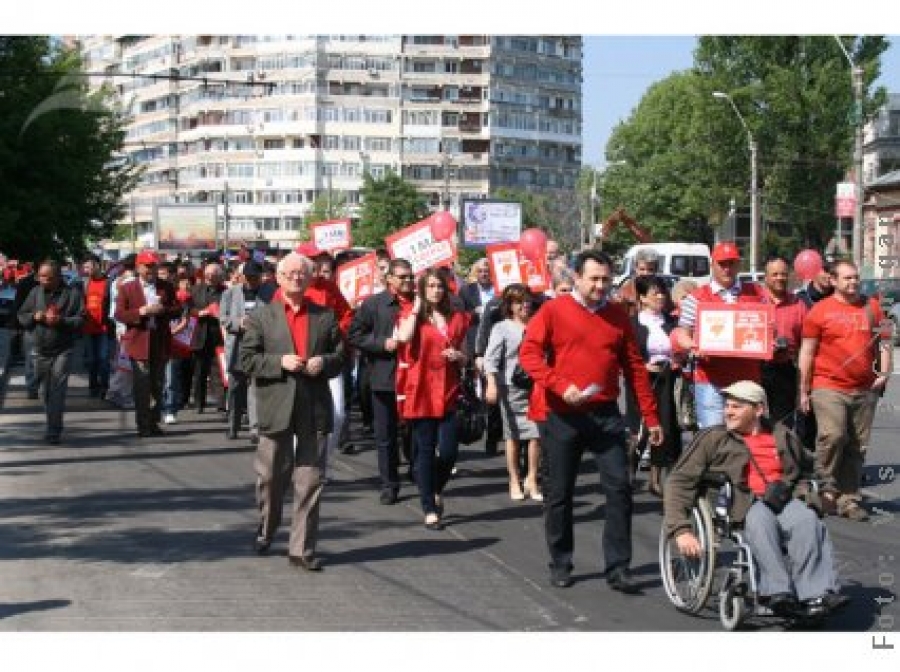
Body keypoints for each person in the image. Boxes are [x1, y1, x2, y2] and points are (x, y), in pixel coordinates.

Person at [519, 250, 662, 593]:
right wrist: (559, 385)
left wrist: (651, 417)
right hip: (563, 415)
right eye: (593, 279)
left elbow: (635, 369)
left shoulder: (617, 316)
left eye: (605, 279)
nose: (600, 285)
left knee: (619, 489)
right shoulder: (554, 310)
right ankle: (561, 562)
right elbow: (529, 355)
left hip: (606, 415)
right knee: (560, 492)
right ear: (577, 279)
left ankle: (618, 567)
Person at [664, 380, 849, 618]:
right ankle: (777, 593)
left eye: (737, 407)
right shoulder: (713, 439)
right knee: (761, 523)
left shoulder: (783, 435)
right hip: (744, 503)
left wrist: (828, 489)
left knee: (808, 521)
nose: (727, 411)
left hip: (784, 497)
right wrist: (681, 530)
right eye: (727, 406)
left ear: (758, 410)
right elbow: (679, 481)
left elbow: (811, 464)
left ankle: (817, 595)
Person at [239, 252, 345, 570]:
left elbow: (341, 356)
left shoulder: (325, 316)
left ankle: (301, 549)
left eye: (303, 273)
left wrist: (324, 362)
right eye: (291, 273)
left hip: (313, 408)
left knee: (310, 480)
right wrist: (279, 362)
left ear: (311, 278)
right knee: (271, 477)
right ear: (280, 277)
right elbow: (246, 360)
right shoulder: (262, 317)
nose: (297, 277)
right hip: (276, 405)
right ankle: (267, 527)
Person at [798, 260, 890, 522]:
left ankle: (849, 498)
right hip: (828, 385)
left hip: (864, 387)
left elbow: (884, 342)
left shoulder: (873, 308)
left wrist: (883, 373)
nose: (853, 282)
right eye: (847, 278)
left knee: (857, 445)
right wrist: (803, 390)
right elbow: (807, 352)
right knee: (833, 435)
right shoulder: (819, 311)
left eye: (855, 278)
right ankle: (827, 489)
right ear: (834, 281)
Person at [396, 268, 470, 531]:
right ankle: (428, 507)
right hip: (422, 389)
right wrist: (416, 308)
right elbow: (402, 338)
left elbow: (465, 354)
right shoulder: (412, 316)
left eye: (440, 286)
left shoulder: (458, 317)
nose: (436, 291)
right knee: (425, 450)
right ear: (422, 289)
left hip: (448, 390)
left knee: (449, 452)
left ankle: (435, 488)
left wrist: (459, 357)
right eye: (431, 287)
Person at [673, 241, 766, 428]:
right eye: (722, 264)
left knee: (747, 439)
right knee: (713, 438)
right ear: (712, 265)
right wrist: (693, 346)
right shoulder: (696, 297)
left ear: (738, 265)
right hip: (710, 381)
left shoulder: (758, 293)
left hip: (747, 379)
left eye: (731, 263)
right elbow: (683, 334)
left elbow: (768, 329)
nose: (727, 269)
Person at [349, 258, 415, 505]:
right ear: (390, 279)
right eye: (403, 277)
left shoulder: (421, 304)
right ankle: (389, 483)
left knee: (415, 430)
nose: (408, 281)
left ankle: (415, 468)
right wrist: (381, 343)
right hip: (385, 376)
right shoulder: (374, 305)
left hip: (416, 379)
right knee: (385, 434)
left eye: (410, 277)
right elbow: (355, 334)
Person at [484, 283, 543, 502]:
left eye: (527, 300)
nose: (525, 305)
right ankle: (514, 479)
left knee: (536, 435)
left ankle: (532, 478)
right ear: (509, 305)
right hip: (511, 387)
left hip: (537, 386)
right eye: (519, 302)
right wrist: (491, 383)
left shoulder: (538, 323)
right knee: (514, 436)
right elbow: (491, 359)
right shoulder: (502, 328)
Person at [114, 251, 182, 438]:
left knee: (157, 385)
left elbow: (177, 309)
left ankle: (153, 422)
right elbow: (119, 314)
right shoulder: (127, 288)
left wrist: (163, 310)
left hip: (159, 342)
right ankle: (143, 425)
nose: (152, 269)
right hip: (138, 342)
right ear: (138, 267)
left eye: (154, 266)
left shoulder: (166, 287)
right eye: (148, 266)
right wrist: (141, 312)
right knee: (142, 385)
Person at [17, 260, 84, 444]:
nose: (43, 280)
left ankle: (53, 431)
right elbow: (21, 316)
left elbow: (80, 320)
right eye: (41, 276)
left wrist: (61, 321)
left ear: (57, 277)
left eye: (47, 277)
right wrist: (34, 316)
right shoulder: (35, 292)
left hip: (63, 349)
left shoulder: (73, 294)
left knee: (57, 389)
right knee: (44, 391)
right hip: (40, 348)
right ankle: (52, 420)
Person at [631, 275, 681, 497]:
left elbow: (681, 347)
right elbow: (624, 356)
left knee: (664, 428)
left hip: (667, 378)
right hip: (641, 380)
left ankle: (656, 478)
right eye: (654, 293)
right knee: (639, 429)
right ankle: (628, 471)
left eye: (662, 292)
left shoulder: (671, 322)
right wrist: (642, 366)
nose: (660, 296)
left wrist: (678, 359)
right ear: (642, 297)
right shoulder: (633, 324)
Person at [220, 260, 275, 441]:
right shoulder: (229, 294)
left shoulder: (270, 293)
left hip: (259, 347)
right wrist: (238, 322)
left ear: (261, 277)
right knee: (235, 388)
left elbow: (275, 317)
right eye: (248, 277)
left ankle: (255, 428)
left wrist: (259, 325)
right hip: (237, 346)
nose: (251, 281)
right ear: (242, 276)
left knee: (255, 387)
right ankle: (233, 425)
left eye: (255, 277)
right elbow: (223, 319)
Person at [759, 255, 808, 426]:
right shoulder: (754, 302)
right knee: (755, 424)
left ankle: (780, 452)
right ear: (766, 277)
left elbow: (806, 345)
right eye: (775, 274)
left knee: (783, 425)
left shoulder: (798, 305)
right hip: (756, 368)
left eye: (783, 274)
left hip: (785, 369)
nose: (780, 278)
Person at [188, 261, 227, 413]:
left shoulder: (226, 291)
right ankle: (199, 403)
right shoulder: (196, 290)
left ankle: (221, 403)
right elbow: (189, 309)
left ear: (220, 276)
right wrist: (201, 312)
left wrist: (220, 315)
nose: (210, 277)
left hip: (219, 336)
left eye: (214, 275)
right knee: (199, 373)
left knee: (219, 371)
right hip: (200, 335)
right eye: (208, 274)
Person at [80, 254, 112, 399]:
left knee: (104, 359)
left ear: (97, 265)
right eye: (84, 267)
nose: (86, 270)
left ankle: (104, 386)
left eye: (88, 266)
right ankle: (93, 387)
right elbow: (81, 302)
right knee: (92, 360)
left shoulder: (109, 283)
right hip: (88, 327)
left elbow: (113, 304)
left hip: (103, 328)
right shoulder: (84, 282)